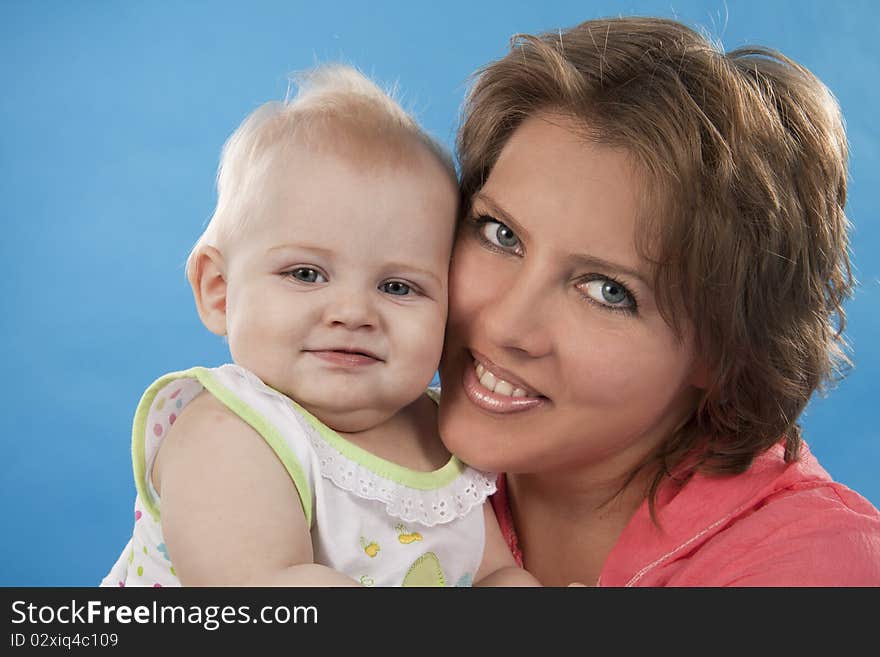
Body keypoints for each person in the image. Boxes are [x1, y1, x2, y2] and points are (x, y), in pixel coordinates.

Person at [437, 16, 880, 586]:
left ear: (722, 350)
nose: (505, 325)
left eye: (607, 291)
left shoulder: (820, 572)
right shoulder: (340, 443)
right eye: (501, 234)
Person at [101, 64, 538, 587]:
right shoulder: (231, 431)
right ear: (219, 290)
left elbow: (493, 573)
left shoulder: (446, 435)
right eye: (306, 274)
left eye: (398, 287)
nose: (353, 312)